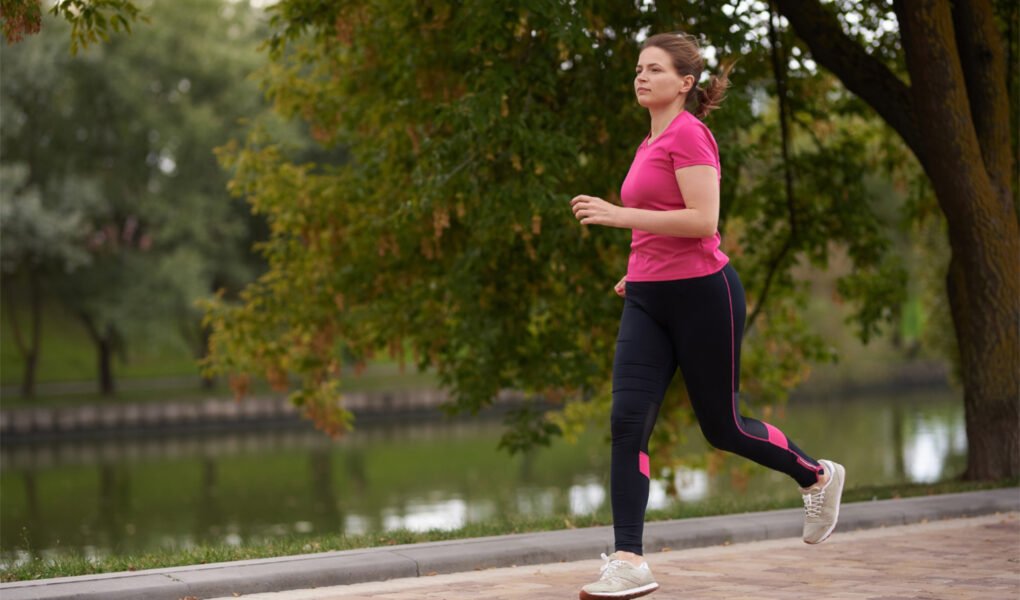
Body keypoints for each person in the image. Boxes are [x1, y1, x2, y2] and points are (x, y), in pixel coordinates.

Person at [569, 31, 846, 600]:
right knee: (627, 424)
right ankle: (629, 561)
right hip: (648, 296)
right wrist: (639, 265)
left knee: (723, 427)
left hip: (703, 294)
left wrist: (619, 215)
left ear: (685, 83)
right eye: (638, 69)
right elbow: (659, 221)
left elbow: (702, 221)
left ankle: (816, 474)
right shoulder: (648, 142)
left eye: (654, 70)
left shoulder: (691, 135)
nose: (641, 77)